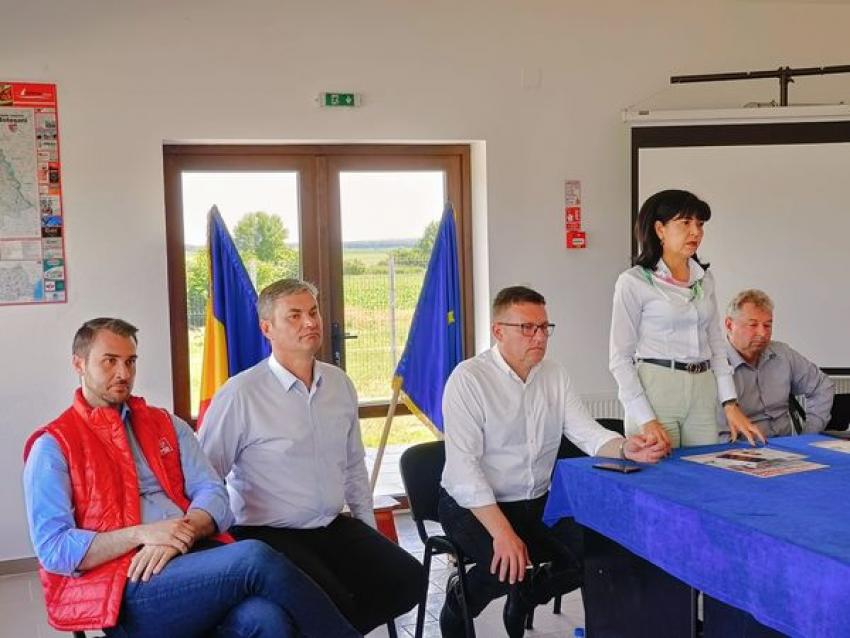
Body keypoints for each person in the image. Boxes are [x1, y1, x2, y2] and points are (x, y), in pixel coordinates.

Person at [22, 317, 360, 638]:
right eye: (109, 361)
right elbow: (54, 549)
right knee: (254, 557)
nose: (123, 373)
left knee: (267, 619)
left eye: (130, 361)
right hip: (128, 584)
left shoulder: (166, 424)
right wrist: (145, 534)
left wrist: (180, 533)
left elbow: (213, 491)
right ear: (79, 364)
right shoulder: (53, 445)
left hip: (195, 556)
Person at [438, 285, 667, 638]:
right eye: (527, 328)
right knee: (506, 566)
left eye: (544, 327)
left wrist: (626, 448)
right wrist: (503, 533)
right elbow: (464, 471)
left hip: (535, 503)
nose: (540, 337)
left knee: (591, 555)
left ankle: (525, 595)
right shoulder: (468, 379)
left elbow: (586, 431)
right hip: (473, 506)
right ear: (498, 331)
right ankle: (459, 600)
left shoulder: (554, 374)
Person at [199, 278, 423, 635]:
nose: (310, 322)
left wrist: (368, 529)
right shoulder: (241, 394)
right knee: (332, 600)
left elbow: (353, 465)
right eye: (295, 316)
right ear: (267, 328)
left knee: (408, 579)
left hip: (332, 525)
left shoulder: (339, 384)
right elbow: (206, 475)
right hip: (267, 533)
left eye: (313, 312)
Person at [609, 189, 765, 449]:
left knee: (703, 469)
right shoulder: (633, 282)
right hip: (657, 390)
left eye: (700, 224)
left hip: (702, 390)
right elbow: (619, 359)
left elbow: (716, 346)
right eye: (685, 223)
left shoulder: (704, 279)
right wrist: (645, 419)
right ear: (660, 229)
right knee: (660, 471)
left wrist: (730, 403)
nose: (696, 232)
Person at [723, 288, 834, 437]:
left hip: (786, 445)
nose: (763, 333)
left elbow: (822, 386)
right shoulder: (712, 365)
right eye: (753, 325)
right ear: (729, 325)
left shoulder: (782, 354)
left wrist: (809, 436)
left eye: (767, 325)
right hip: (740, 447)